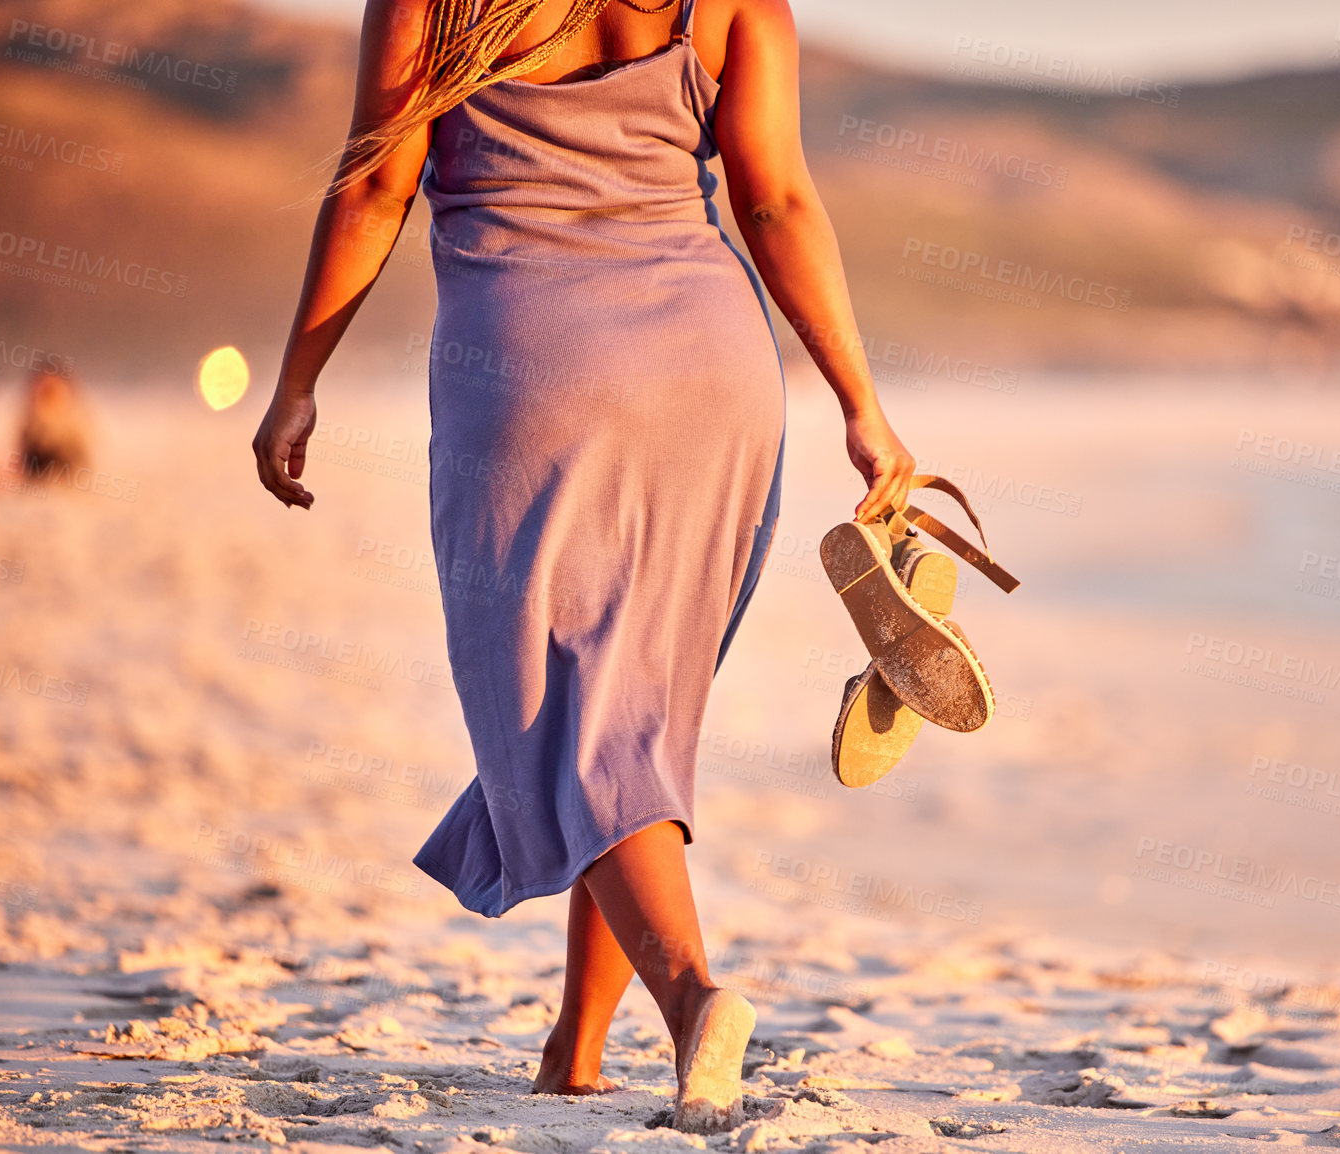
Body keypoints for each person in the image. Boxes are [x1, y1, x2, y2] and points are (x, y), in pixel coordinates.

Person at [251, 0, 915, 1132]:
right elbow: (778, 199)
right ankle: (578, 1047)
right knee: (625, 713)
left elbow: (375, 186)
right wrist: (861, 403)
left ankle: (694, 994)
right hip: (714, 371)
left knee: (573, 707)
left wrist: (298, 377)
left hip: (528, 367)